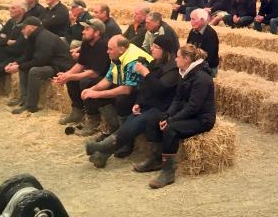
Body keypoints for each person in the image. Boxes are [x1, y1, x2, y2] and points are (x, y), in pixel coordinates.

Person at [85, 35, 180, 169]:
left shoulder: (173, 69)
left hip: (164, 108)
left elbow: (160, 89)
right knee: (131, 119)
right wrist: (138, 103)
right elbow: (144, 87)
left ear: (166, 51)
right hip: (150, 104)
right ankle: (103, 154)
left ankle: (103, 147)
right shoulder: (155, 63)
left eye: (156, 47)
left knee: (138, 121)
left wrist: (145, 73)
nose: (151, 48)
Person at [142, 44, 216, 189]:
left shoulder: (202, 78)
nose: (175, 59)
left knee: (170, 129)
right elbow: (177, 99)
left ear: (187, 59)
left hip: (202, 118)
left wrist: (171, 120)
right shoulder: (185, 73)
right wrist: (167, 115)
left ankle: (168, 172)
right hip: (188, 113)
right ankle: (156, 159)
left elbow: (194, 107)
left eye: (178, 56)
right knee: (153, 119)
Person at [80, 35, 153, 137]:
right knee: (90, 88)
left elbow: (127, 89)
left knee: (122, 100)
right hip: (126, 85)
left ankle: (123, 133)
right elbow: (108, 79)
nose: (107, 51)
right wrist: (91, 90)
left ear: (121, 49)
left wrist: (97, 94)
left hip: (143, 92)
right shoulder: (117, 55)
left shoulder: (133, 61)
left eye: (110, 49)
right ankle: (112, 128)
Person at [5, 17, 73, 114]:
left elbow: (40, 61)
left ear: (32, 27)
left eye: (24, 27)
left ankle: (31, 106)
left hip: (60, 66)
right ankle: (24, 99)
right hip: (49, 63)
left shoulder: (45, 37)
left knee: (34, 71)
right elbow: (28, 56)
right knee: (24, 68)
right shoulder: (32, 36)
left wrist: (19, 67)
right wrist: (17, 63)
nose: (22, 30)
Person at [53, 19, 110, 135]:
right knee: (72, 79)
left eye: (87, 29)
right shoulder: (86, 43)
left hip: (107, 76)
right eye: (84, 29)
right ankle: (77, 111)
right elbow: (80, 64)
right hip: (94, 72)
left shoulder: (103, 45)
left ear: (97, 33)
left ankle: (93, 119)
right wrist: (67, 75)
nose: (83, 32)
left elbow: (95, 73)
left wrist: (70, 76)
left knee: (85, 82)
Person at [0, 1, 28, 80]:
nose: (10, 10)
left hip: (13, 58)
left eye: (13, 8)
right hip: (1, 53)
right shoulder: (10, 21)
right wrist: (6, 42)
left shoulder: (26, 25)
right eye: (10, 8)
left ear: (22, 10)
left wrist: (2, 41)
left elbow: (17, 48)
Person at [187, 9, 219, 77]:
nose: (191, 21)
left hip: (208, 68)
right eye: (191, 19)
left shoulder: (210, 34)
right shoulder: (192, 31)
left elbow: (208, 59)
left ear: (202, 20)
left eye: (193, 19)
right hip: (194, 63)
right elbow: (187, 49)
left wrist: (191, 66)